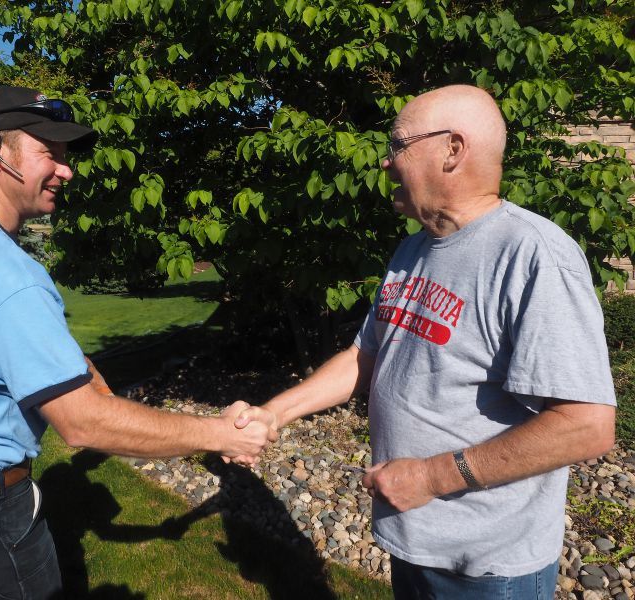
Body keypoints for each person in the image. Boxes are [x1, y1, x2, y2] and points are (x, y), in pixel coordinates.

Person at [0, 85, 276, 600]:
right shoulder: (7, 276)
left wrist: (88, 377)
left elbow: (0, 348)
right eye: (50, 152)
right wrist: (222, 435)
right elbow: (83, 424)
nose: (66, 171)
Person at [234, 84, 617, 599]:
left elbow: (586, 426)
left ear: (452, 150)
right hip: (415, 537)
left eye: (398, 145)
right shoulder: (414, 249)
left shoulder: (534, 255)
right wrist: (273, 413)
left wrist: (431, 479)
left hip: (487, 567)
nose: (387, 162)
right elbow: (365, 356)